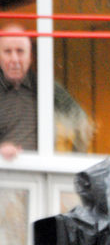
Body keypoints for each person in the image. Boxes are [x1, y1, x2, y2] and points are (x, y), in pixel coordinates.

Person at [0, 23, 92, 160]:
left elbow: (83, 124)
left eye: (20, 51)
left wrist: (74, 161)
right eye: (7, 52)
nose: (14, 59)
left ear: (30, 56)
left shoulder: (46, 87)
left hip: (40, 176)